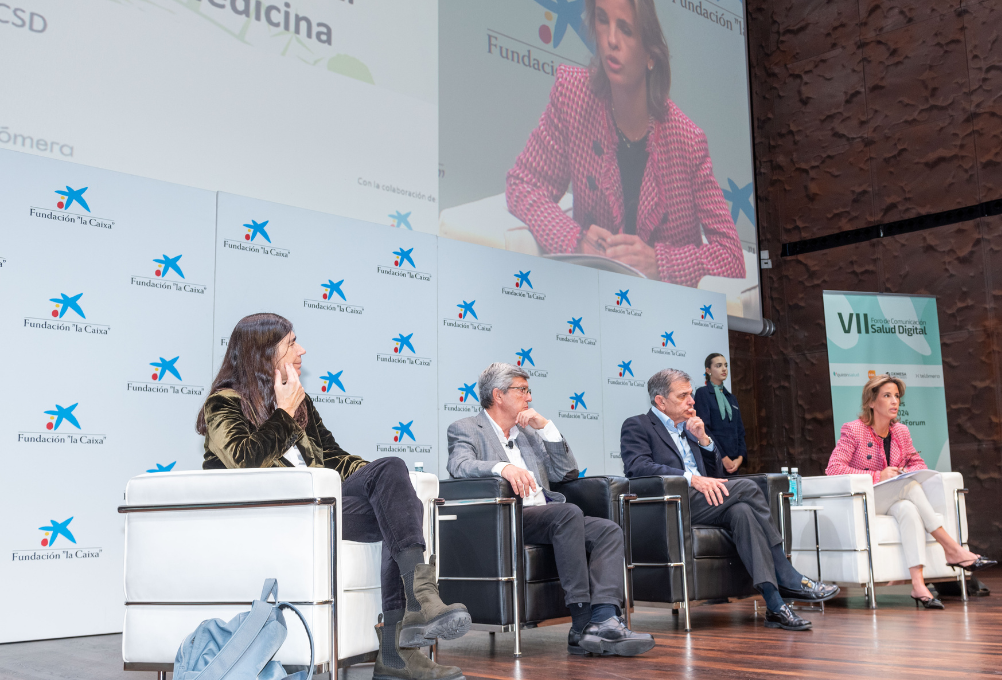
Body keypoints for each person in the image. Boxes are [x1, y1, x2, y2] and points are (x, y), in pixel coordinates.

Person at [197, 313, 470, 680]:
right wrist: (283, 413)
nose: (302, 350)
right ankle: (408, 628)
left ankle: (398, 648)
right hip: (282, 515)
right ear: (263, 353)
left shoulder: (299, 401)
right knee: (394, 493)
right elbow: (245, 462)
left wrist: (390, 480)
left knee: (394, 492)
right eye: (292, 343)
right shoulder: (224, 404)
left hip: (322, 508)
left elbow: (334, 458)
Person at [505, 0, 745, 287]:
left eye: (627, 30)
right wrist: (574, 239)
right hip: (592, 296)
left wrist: (660, 262)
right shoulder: (573, 95)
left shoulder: (687, 140)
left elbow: (731, 257)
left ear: (650, 55)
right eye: (603, 20)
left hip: (663, 312)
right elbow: (523, 184)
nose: (611, 40)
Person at [446, 362, 655, 657]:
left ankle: (606, 618)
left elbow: (566, 473)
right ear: (498, 395)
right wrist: (502, 467)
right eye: (522, 390)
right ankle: (582, 624)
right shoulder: (467, 428)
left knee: (607, 530)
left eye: (529, 391)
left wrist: (546, 428)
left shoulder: (528, 433)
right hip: (509, 517)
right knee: (567, 514)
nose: (529, 398)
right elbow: (459, 466)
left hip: (548, 514)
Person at [619, 368, 839, 631]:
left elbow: (718, 476)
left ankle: (775, 605)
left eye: (691, 394)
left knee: (743, 512)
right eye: (683, 396)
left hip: (706, 501)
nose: (692, 401)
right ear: (660, 401)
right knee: (746, 487)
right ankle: (788, 574)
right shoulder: (638, 425)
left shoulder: (691, 428)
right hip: (674, 505)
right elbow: (637, 467)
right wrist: (690, 478)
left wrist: (704, 440)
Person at [825, 374, 997, 609]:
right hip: (865, 501)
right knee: (910, 486)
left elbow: (919, 464)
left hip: (893, 498)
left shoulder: (901, 432)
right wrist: (878, 476)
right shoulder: (854, 430)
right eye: (887, 396)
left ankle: (918, 585)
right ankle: (953, 549)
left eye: (897, 396)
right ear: (871, 402)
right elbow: (833, 469)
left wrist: (901, 470)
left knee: (908, 508)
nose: (894, 401)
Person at [693, 353, 747, 477]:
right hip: (715, 459)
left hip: (734, 462)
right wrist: (723, 457)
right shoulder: (703, 393)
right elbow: (704, 429)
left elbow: (740, 431)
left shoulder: (731, 398)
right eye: (718, 365)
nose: (724, 369)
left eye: (725, 365)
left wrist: (740, 458)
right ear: (708, 370)